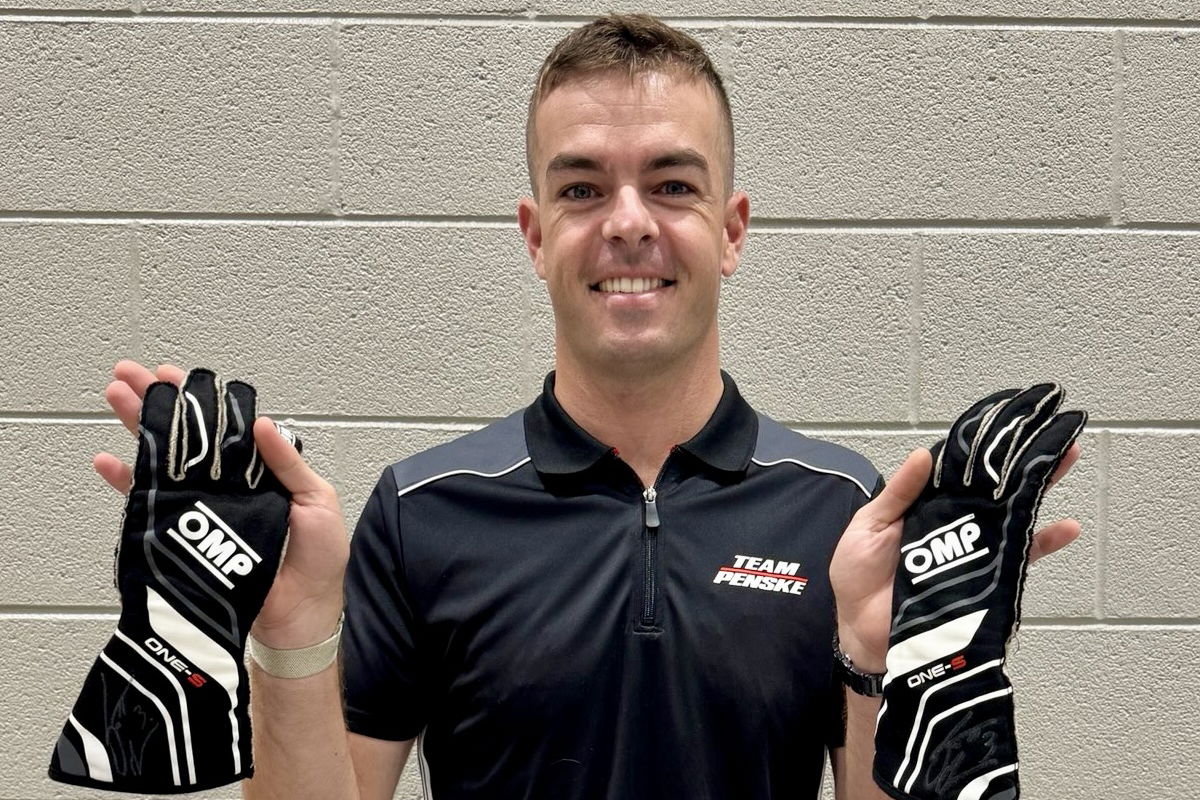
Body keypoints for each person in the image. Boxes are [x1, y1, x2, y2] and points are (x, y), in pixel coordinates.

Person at [95, 14, 1082, 799]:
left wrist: (904, 661)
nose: (626, 222)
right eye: (581, 187)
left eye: (671, 183)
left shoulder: (841, 512)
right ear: (534, 233)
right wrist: (290, 629)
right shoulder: (422, 511)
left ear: (730, 229)